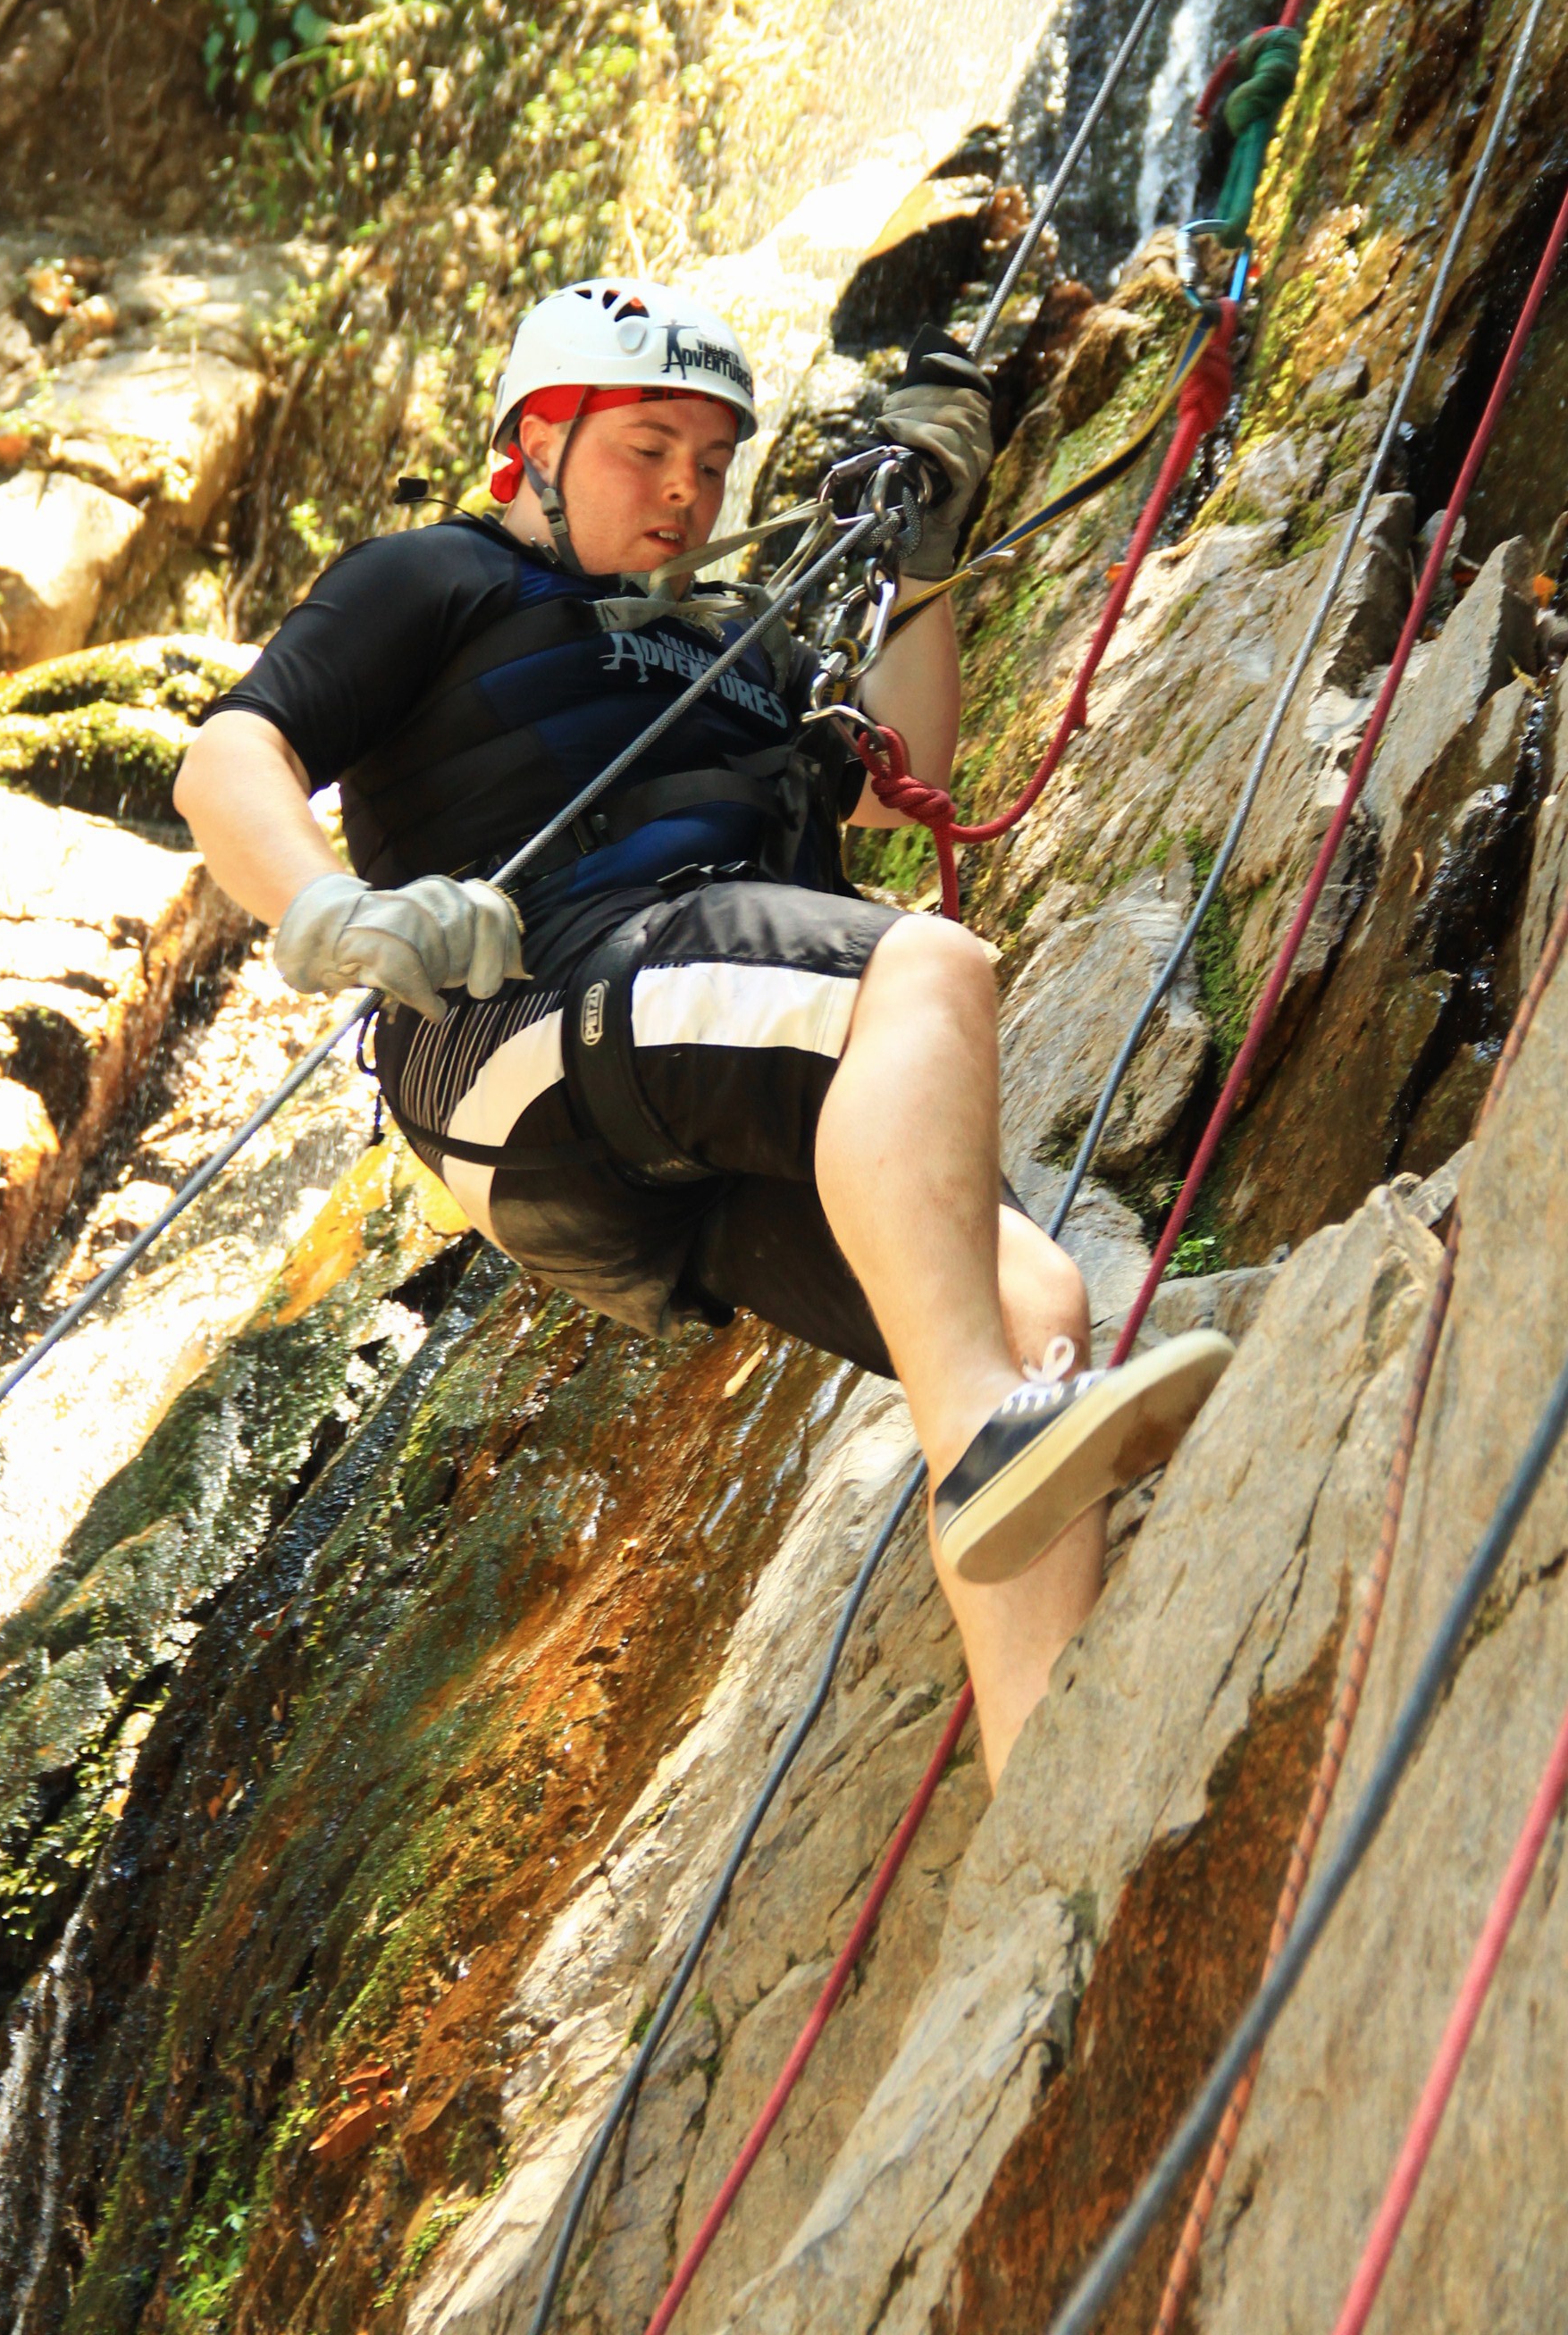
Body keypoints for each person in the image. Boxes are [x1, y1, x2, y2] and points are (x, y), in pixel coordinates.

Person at [174, 278, 1228, 1782]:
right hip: (538, 1009)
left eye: (715, 461)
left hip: (651, 1115)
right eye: (646, 448)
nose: (686, 489)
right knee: (926, 970)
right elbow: (232, 753)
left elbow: (906, 770)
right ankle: (989, 1429)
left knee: (1034, 1302)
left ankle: (1048, 1781)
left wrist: (920, 558)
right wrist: (331, 909)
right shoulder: (436, 576)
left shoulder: (743, 647)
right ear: (537, 441)